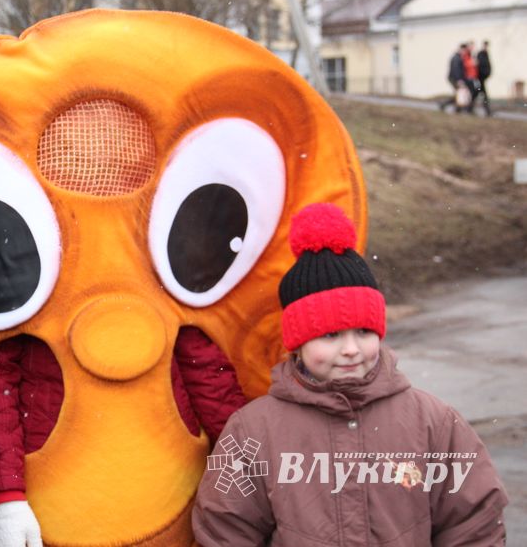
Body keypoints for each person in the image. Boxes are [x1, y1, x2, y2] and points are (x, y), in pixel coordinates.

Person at [192, 203, 508, 546]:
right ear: (297, 343)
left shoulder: (434, 423)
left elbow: (474, 523)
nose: (351, 349)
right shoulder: (252, 431)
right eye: (330, 336)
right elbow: (225, 529)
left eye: (363, 332)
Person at [438, 44, 467, 113]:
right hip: (454, 79)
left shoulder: (458, 57)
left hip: (454, 78)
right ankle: (454, 108)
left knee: (458, 94)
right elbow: (456, 70)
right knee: (458, 94)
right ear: (461, 49)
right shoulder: (456, 58)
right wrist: (459, 80)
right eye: (464, 50)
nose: (464, 52)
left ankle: (445, 105)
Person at [476, 40, 492, 116]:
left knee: (476, 94)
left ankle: (487, 110)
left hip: (482, 79)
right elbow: (480, 66)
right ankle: (487, 110)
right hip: (480, 79)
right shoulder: (481, 54)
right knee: (482, 94)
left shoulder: (486, 54)